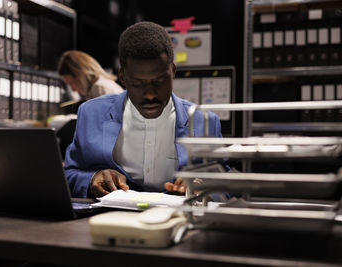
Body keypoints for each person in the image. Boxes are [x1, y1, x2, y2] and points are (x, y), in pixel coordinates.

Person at [64, 21, 228, 198]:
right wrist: (92, 179)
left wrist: (204, 186)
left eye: (159, 82)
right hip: (109, 220)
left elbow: (223, 183)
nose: (150, 95)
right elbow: (69, 174)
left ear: (172, 72)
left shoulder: (204, 121)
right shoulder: (91, 114)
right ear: (123, 77)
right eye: (138, 84)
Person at [57, 50, 124, 111]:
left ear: (81, 75)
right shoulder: (97, 87)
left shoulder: (99, 87)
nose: (73, 89)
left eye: (71, 83)